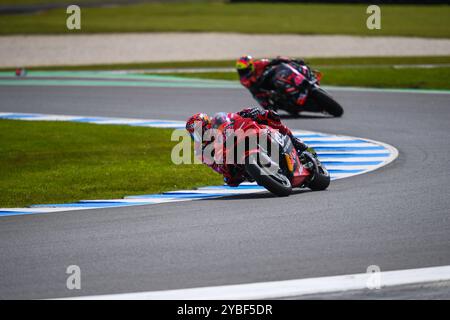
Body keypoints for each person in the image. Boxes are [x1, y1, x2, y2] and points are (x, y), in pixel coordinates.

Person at [185, 107, 315, 187]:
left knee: (269, 116)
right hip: (235, 160)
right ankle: (269, 174)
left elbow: (234, 117)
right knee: (231, 180)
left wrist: (250, 112)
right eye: (195, 135)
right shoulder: (204, 152)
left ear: (207, 124)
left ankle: (293, 139)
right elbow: (216, 167)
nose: (199, 136)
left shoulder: (219, 121)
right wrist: (223, 168)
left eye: (199, 131)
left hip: (246, 136)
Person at [236, 55, 312, 109]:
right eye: (241, 71)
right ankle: (270, 110)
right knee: (259, 98)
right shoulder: (244, 80)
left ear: (251, 66)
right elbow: (254, 91)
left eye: (245, 70)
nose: (243, 73)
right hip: (264, 89)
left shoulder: (259, 64)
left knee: (283, 67)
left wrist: (292, 60)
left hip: (272, 79)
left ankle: (302, 78)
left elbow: (275, 61)